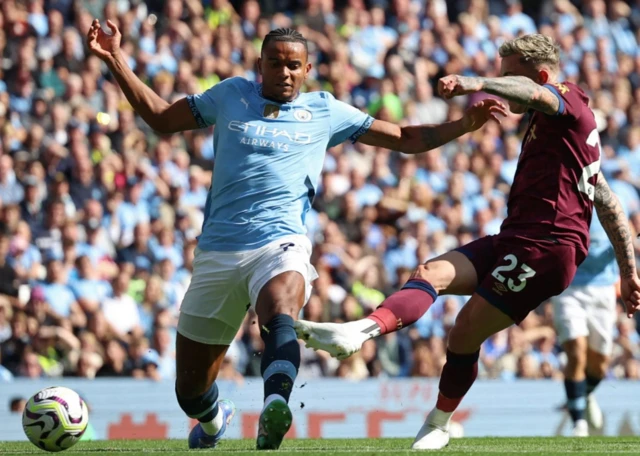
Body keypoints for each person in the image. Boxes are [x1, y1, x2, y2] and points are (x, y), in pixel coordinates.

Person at [86, 21, 504, 450]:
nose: (283, 73)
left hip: (281, 242)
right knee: (189, 390)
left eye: (293, 66)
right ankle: (214, 419)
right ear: (260, 65)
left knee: (280, 308)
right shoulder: (231, 95)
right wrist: (115, 58)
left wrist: (463, 125)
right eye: (275, 64)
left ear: (306, 70)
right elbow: (160, 117)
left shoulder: (326, 110)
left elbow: (403, 138)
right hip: (218, 250)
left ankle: (275, 406)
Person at [295, 34, 640, 450]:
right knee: (431, 272)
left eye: (507, 73)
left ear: (542, 76)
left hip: (546, 247)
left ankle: (439, 421)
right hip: (515, 237)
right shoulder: (565, 134)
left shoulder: (567, 102)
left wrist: (476, 82)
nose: (501, 81)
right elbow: (608, 201)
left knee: (463, 333)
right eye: (498, 73)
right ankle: (359, 333)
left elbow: (534, 92)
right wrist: (630, 269)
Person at [551, 207, 631, 437]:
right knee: (576, 351)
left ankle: (582, 396)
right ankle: (579, 424)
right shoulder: (563, 200)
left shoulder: (613, 200)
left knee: (599, 363)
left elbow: (626, 235)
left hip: (603, 289)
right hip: (568, 287)